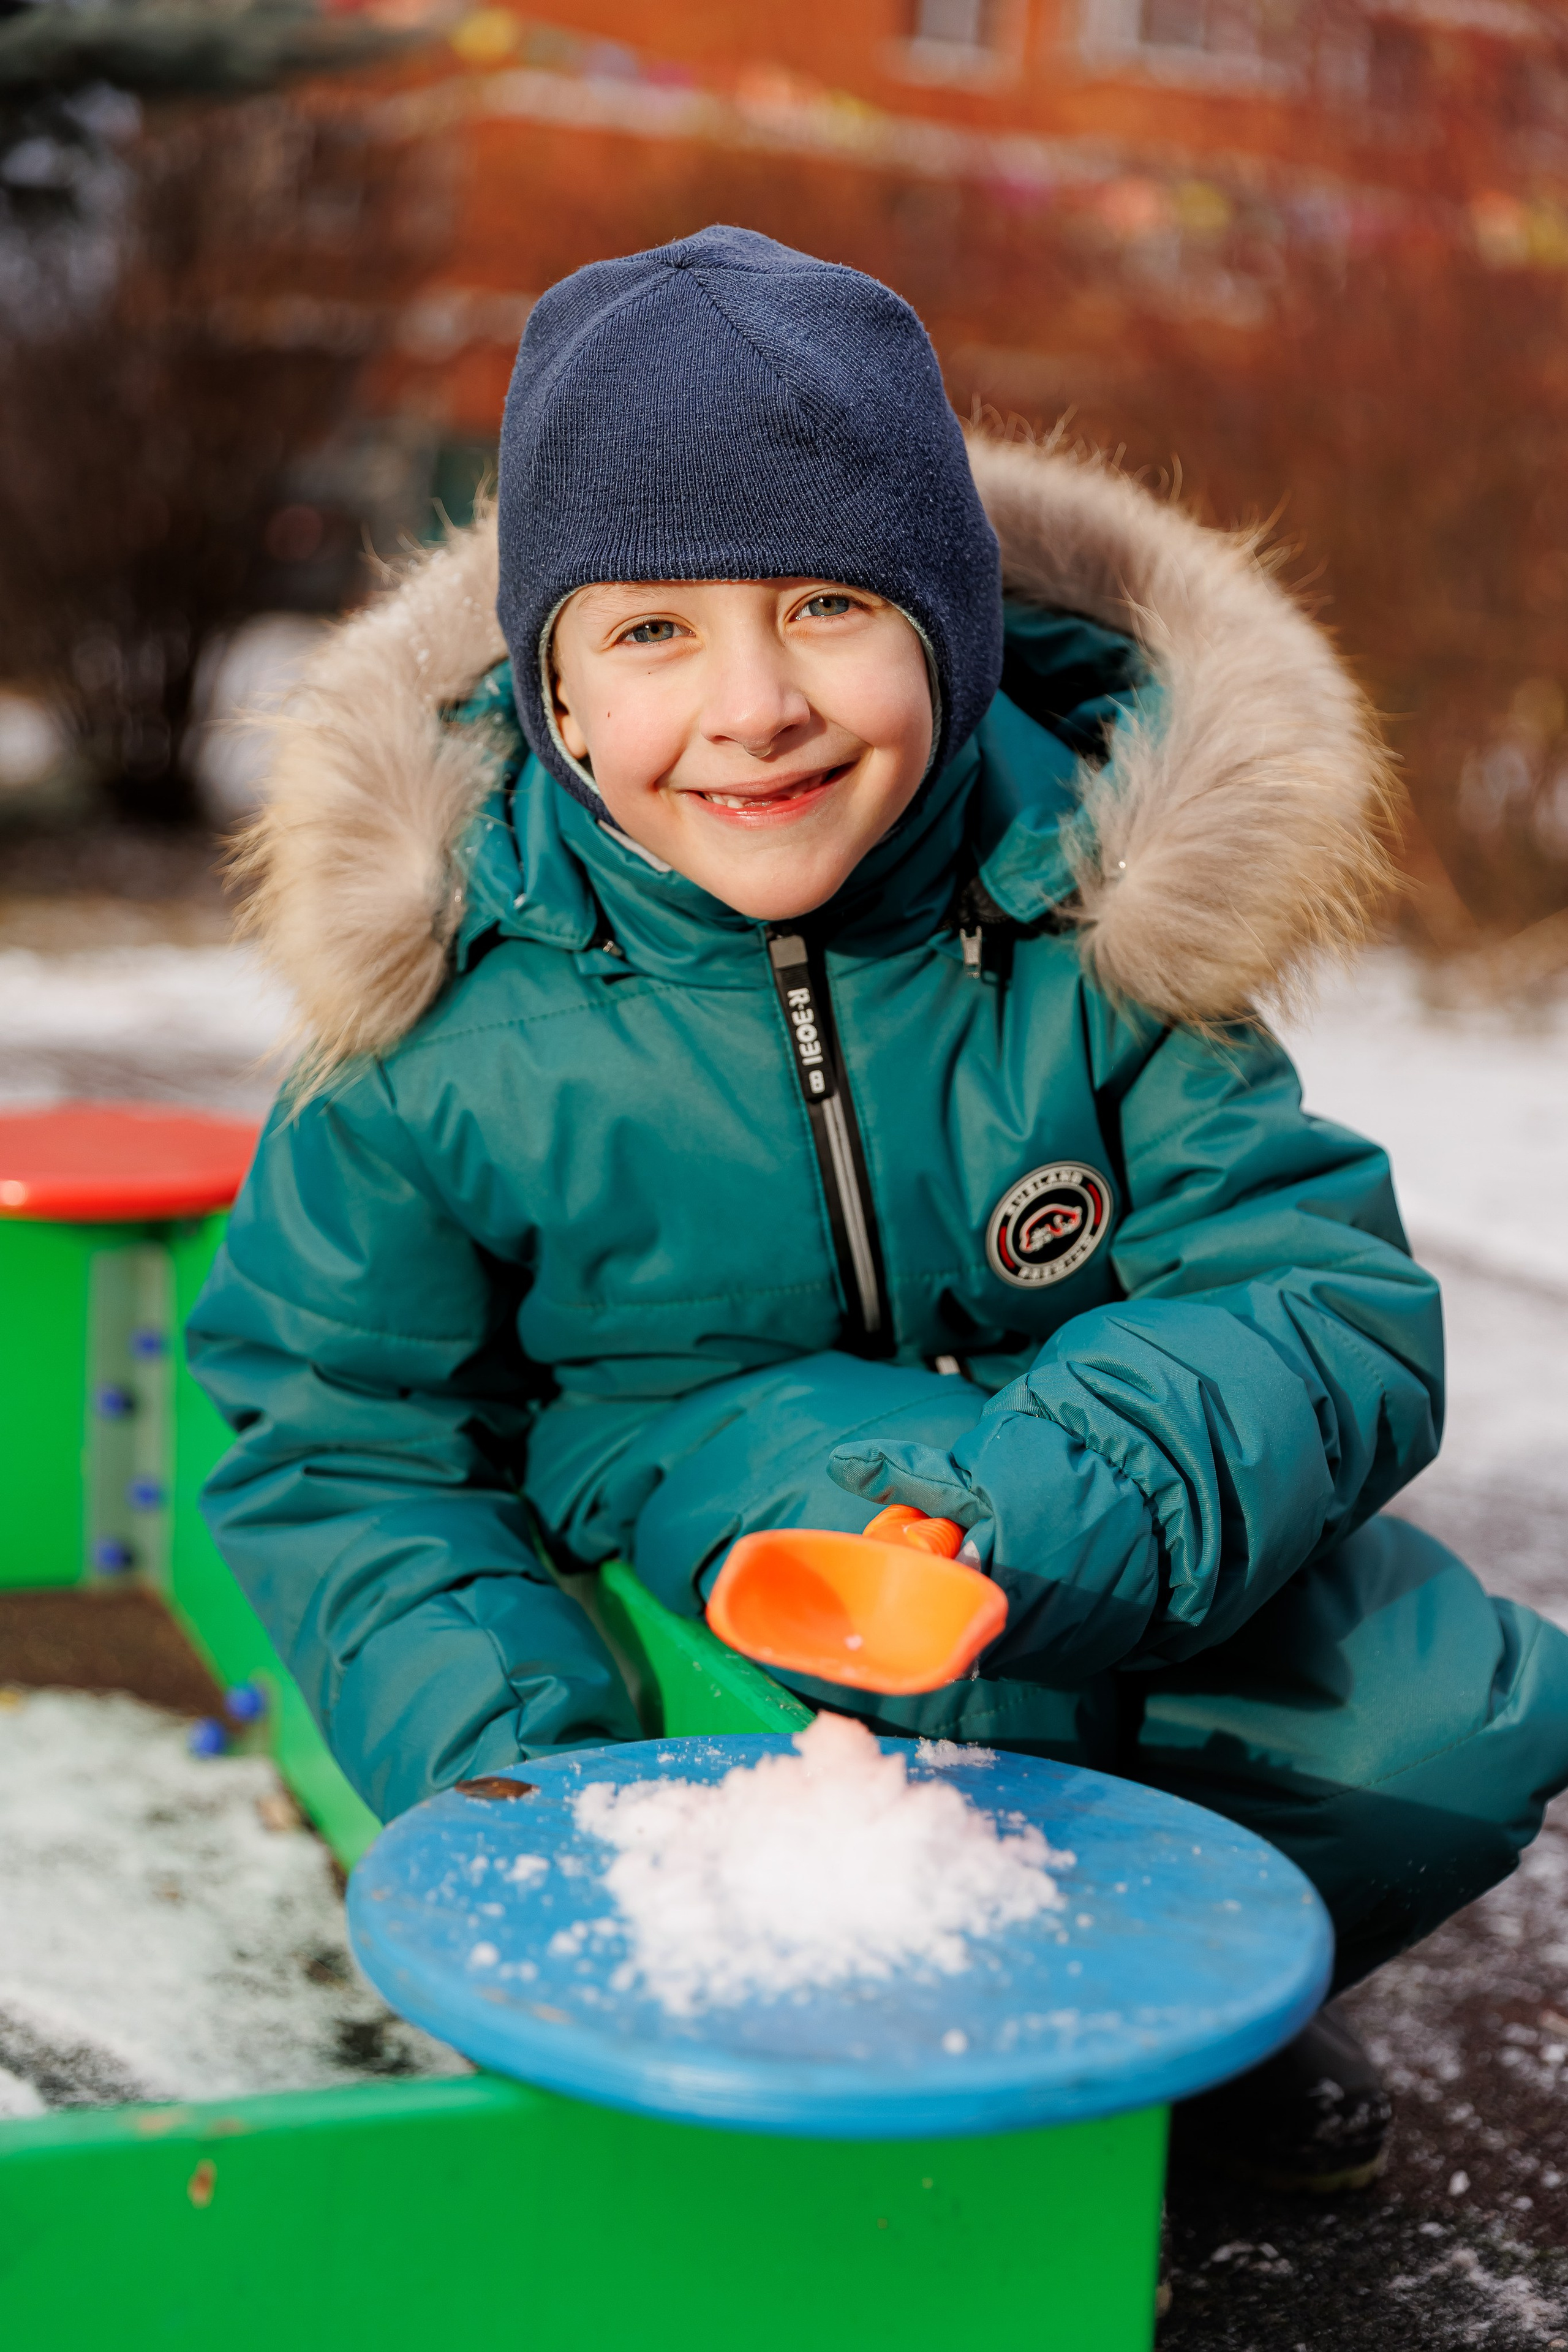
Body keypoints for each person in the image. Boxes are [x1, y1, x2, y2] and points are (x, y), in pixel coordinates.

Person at [189, 225, 1568, 2190]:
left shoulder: (1092, 909)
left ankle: (1160, 2024)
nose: (755, 705)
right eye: (653, 633)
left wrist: (1047, 1498)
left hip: (1082, 1511)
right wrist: (531, 1781)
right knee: (904, 1555)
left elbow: (1309, 1289)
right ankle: (892, 2081)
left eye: (830, 604)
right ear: (552, 692)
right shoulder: (454, 1018)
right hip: (703, 1514)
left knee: (1459, 1716)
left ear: (957, 629)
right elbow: (343, 1433)